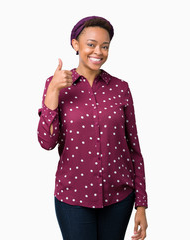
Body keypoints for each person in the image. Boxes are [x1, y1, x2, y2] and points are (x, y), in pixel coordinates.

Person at [37, 16, 148, 240]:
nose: (98, 51)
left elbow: (133, 147)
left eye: (104, 46)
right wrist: (53, 91)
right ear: (75, 45)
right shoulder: (56, 84)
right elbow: (47, 143)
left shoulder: (120, 88)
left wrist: (141, 205)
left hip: (119, 197)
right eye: (91, 44)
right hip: (73, 197)